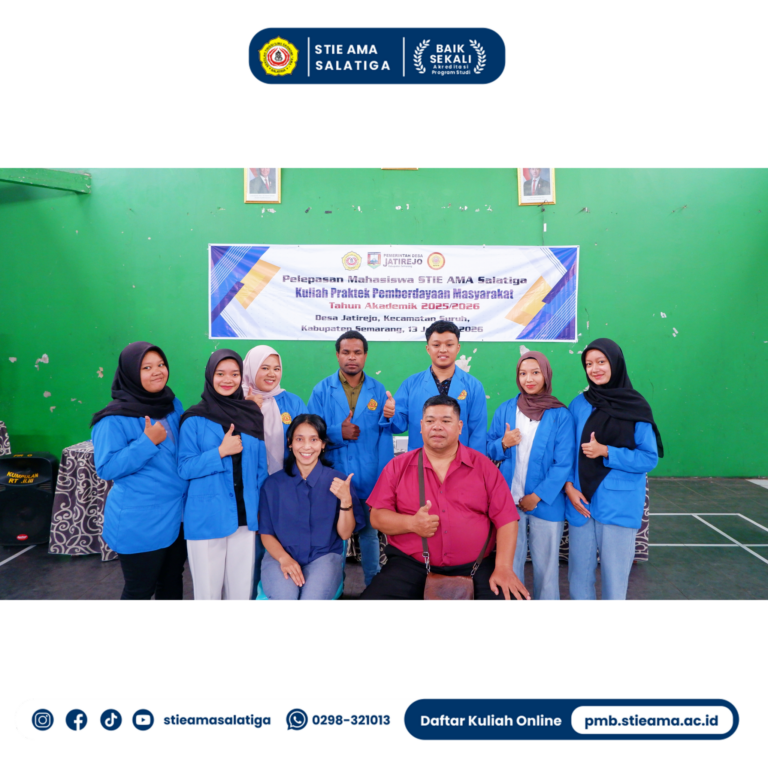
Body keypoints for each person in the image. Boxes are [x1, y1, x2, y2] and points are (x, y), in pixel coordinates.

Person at [362, 395, 530, 600]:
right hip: (410, 566)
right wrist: (411, 523)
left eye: (446, 421)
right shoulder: (397, 467)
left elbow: (507, 520)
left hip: (477, 566)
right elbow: (377, 517)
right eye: (430, 421)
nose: (437, 427)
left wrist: (503, 567)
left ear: (459, 427)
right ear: (421, 426)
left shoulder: (484, 467)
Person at [564, 339, 663, 600]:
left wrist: (606, 451)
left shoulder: (635, 406)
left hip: (618, 504)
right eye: (589, 364)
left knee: (615, 579)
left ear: (615, 363)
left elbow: (648, 458)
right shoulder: (579, 404)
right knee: (578, 576)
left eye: (601, 362)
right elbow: (566, 452)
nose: (594, 369)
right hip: (581, 502)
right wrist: (569, 486)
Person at [91, 341, 188, 600]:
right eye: (146, 367)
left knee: (172, 582)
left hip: (177, 516)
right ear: (131, 373)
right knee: (140, 590)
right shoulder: (112, 418)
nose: (157, 371)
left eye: (161, 364)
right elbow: (107, 468)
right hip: (141, 521)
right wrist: (146, 442)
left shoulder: (171, 404)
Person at [177, 349, 268, 600]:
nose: (228, 379)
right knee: (208, 594)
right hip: (207, 517)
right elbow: (185, 467)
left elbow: (261, 470)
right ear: (210, 376)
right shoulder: (194, 418)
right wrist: (220, 452)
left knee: (241, 594)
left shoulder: (251, 415)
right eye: (220, 373)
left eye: (234, 374)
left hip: (245, 517)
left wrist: (261, 509)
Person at [307, 331, 393, 586]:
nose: (351, 357)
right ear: (337, 355)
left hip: (369, 475)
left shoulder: (378, 390)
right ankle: (334, 587)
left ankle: (373, 586)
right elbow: (310, 433)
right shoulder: (321, 390)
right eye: (346, 352)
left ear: (365, 355)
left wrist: (385, 478)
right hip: (333, 474)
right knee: (336, 534)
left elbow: (385, 436)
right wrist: (337, 432)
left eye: (357, 352)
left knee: (369, 533)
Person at [486, 352, 575, 600]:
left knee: (547, 570)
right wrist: (503, 443)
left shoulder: (561, 415)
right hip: (508, 502)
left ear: (546, 375)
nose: (529, 379)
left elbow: (563, 463)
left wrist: (536, 497)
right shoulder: (506, 409)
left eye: (535, 372)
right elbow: (487, 448)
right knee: (509, 567)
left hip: (546, 503)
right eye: (523, 373)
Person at [258, 414, 366, 599]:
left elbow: (345, 534)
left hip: (323, 557)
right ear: (290, 443)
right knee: (284, 598)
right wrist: (284, 558)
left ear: (323, 444)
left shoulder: (339, 481)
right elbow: (266, 533)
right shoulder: (273, 484)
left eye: (314, 439)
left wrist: (346, 501)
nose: (306, 446)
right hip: (280, 556)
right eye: (299, 439)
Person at [242, 344, 306, 595]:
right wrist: (249, 410)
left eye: (276, 368)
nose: (272, 374)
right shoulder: (236, 402)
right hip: (248, 488)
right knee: (248, 551)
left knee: (277, 542)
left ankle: (273, 592)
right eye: (264, 368)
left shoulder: (292, 401)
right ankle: (248, 595)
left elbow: (305, 444)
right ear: (251, 369)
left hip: (284, 488)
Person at [380, 320, 487, 452]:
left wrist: (473, 463)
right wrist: (390, 414)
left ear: (458, 348)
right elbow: (398, 426)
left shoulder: (474, 387)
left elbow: (478, 434)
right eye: (436, 345)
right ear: (428, 349)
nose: (443, 350)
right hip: (420, 459)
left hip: (459, 460)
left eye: (449, 344)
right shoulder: (411, 384)